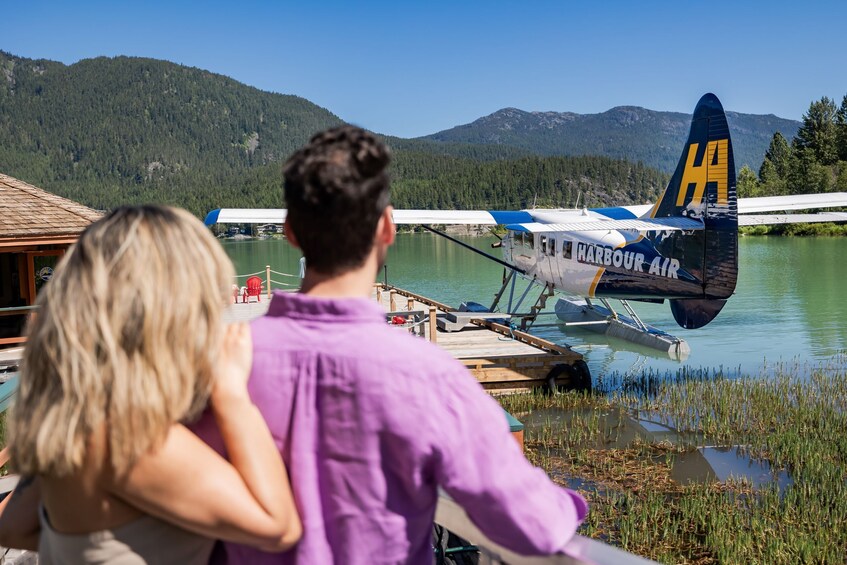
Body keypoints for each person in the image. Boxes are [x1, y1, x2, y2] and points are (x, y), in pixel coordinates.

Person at [193, 125, 588, 564]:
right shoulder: (429, 374)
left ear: (289, 231)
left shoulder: (219, 365)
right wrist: (570, 504)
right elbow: (531, 523)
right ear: (386, 227)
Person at [0, 205, 302, 562]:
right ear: (168, 309)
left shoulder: (75, 421)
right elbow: (277, 525)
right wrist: (231, 394)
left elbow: (13, 526)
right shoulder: (129, 438)